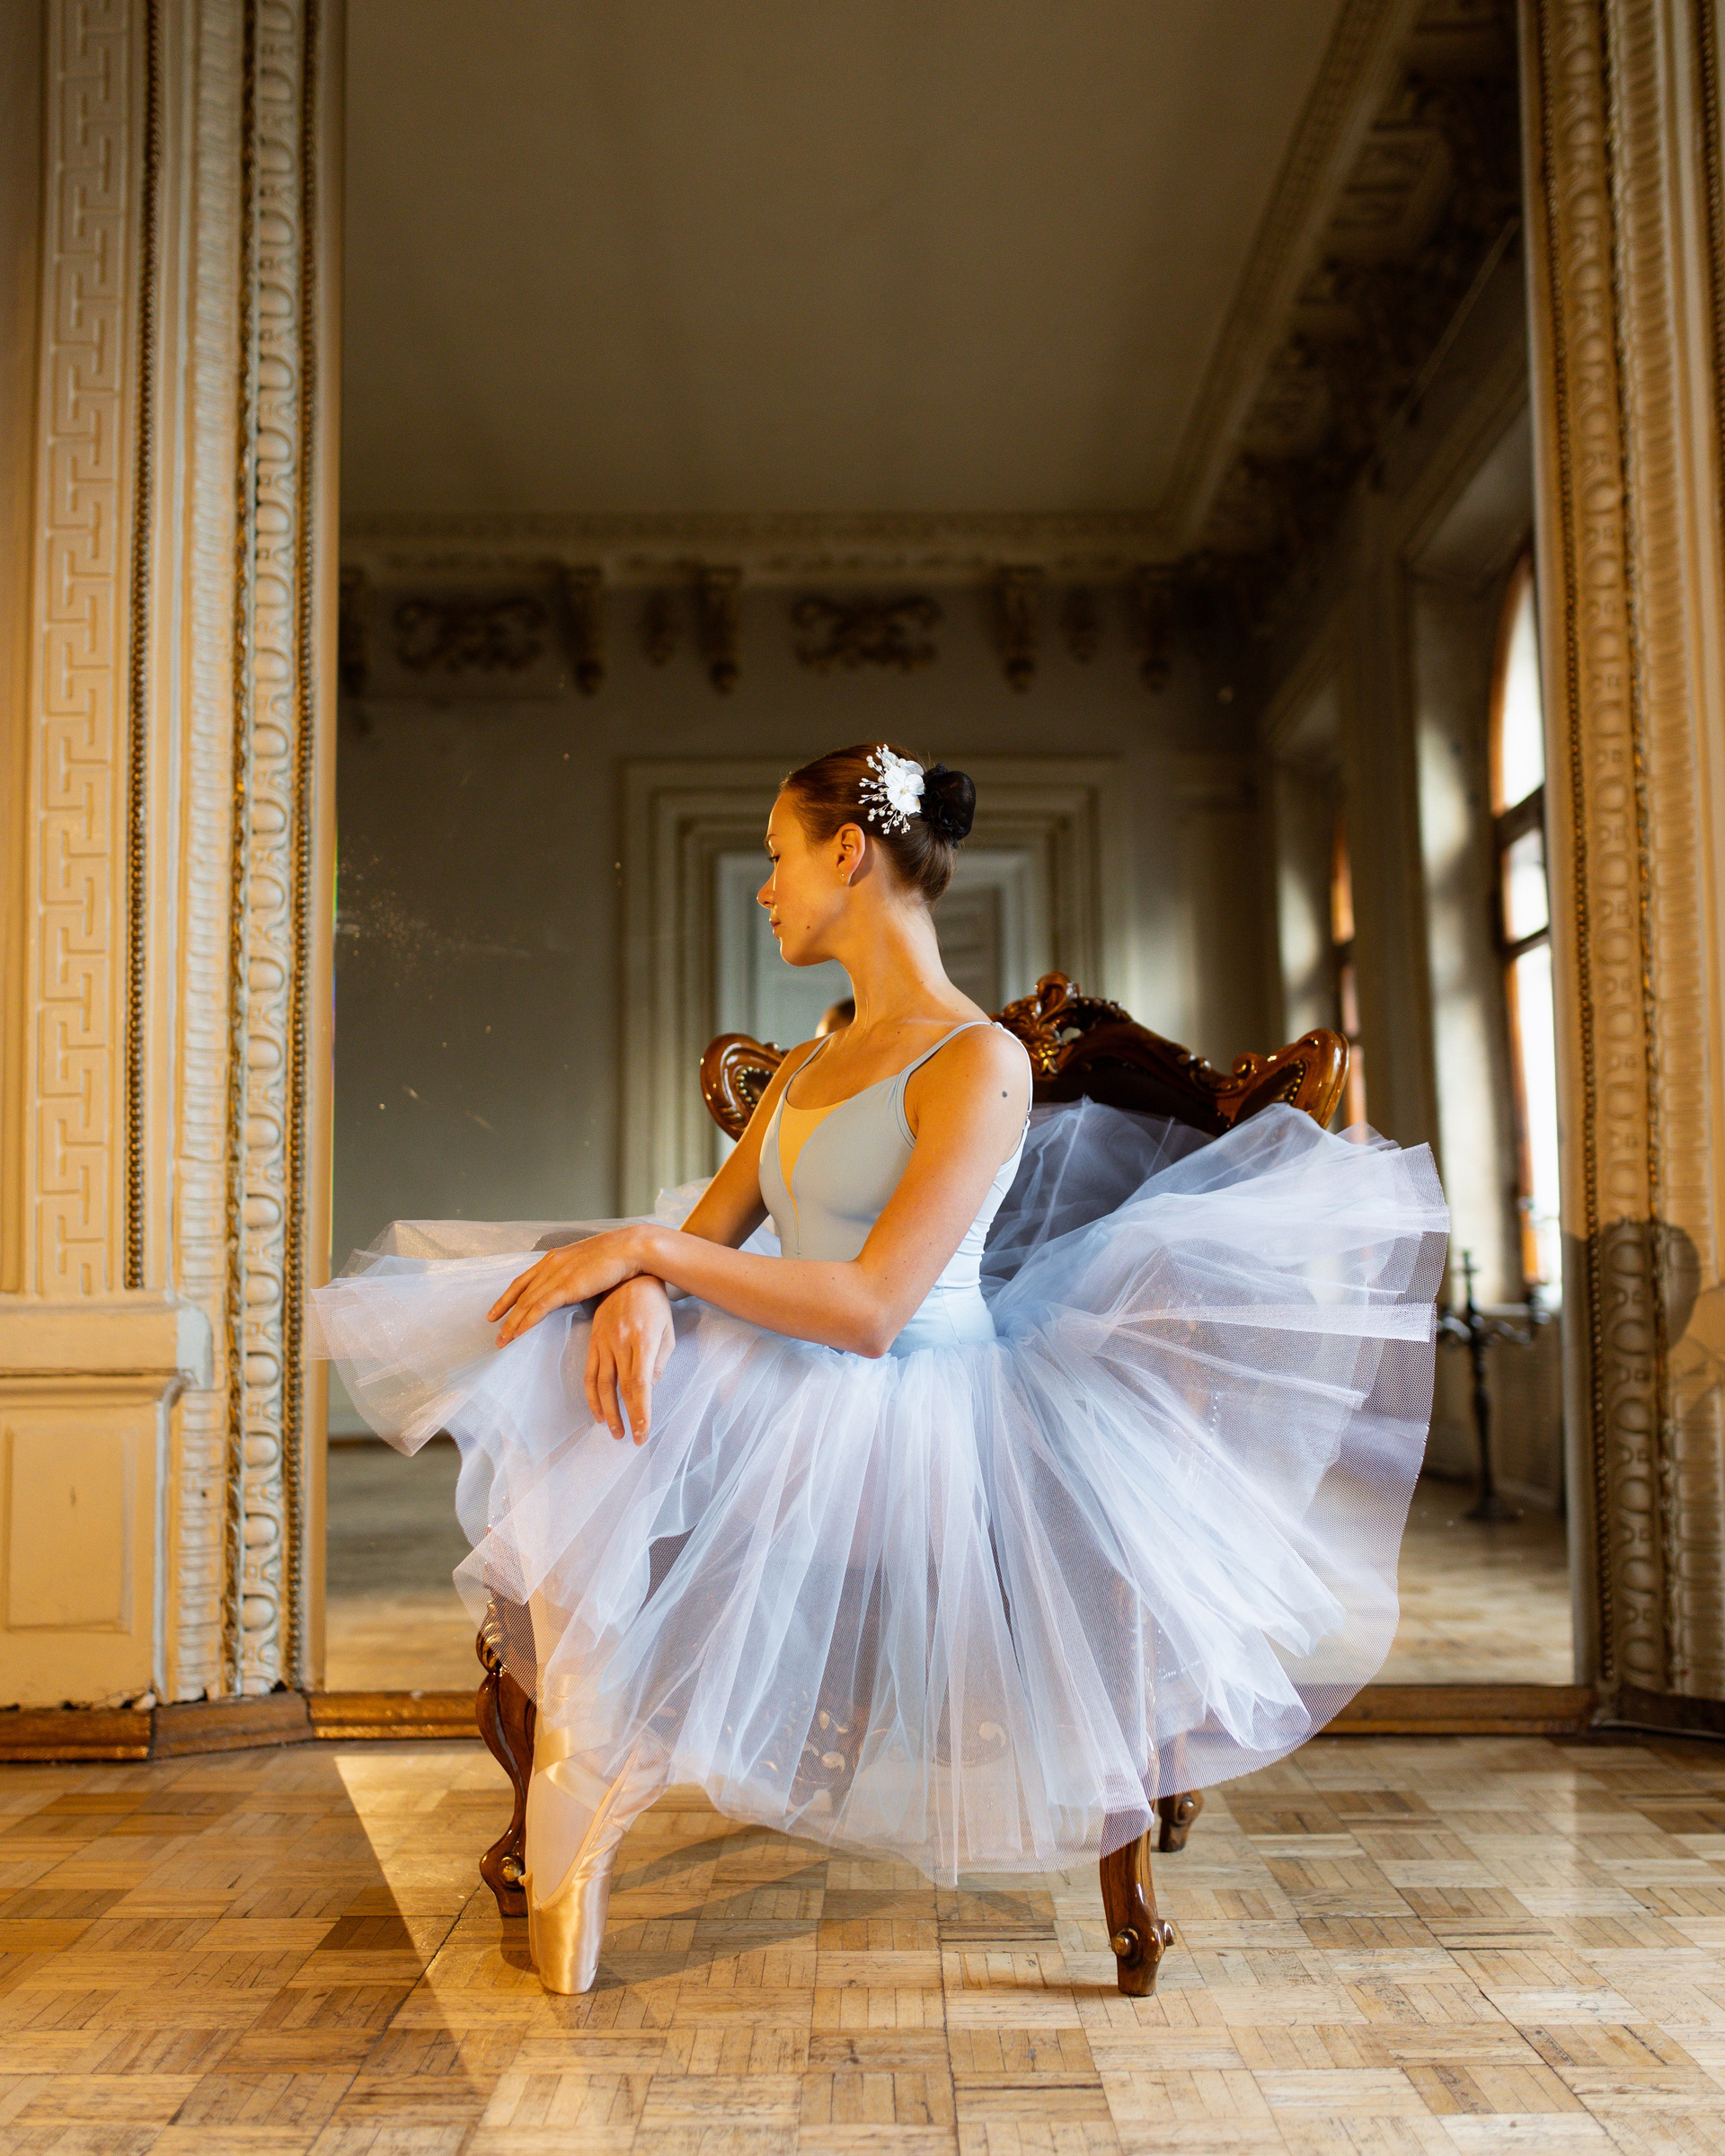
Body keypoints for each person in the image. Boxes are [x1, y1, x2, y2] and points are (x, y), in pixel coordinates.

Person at [313, 741, 1447, 1996]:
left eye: (778, 856)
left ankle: (603, 1749)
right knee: (575, 1348)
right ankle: (590, 1744)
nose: (766, 887)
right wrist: (638, 1281)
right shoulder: (806, 1066)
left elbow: (868, 1310)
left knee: (629, 1395)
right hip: (772, 1372)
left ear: (847, 852)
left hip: (923, 1405)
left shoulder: (980, 1062)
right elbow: (711, 1236)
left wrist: (643, 1254)